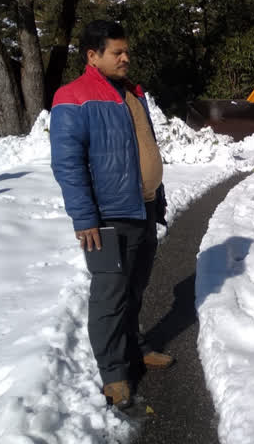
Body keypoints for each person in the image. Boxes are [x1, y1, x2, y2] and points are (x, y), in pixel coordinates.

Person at [50, 20, 173, 410]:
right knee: (110, 297)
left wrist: (159, 196)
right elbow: (68, 164)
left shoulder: (132, 93)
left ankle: (135, 348)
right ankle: (115, 373)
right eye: (116, 52)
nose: (126, 57)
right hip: (108, 217)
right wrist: (84, 217)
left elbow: (144, 148)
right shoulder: (73, 97)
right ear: (92, 55)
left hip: (144, 208)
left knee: (135, 291)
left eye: (126, 50)